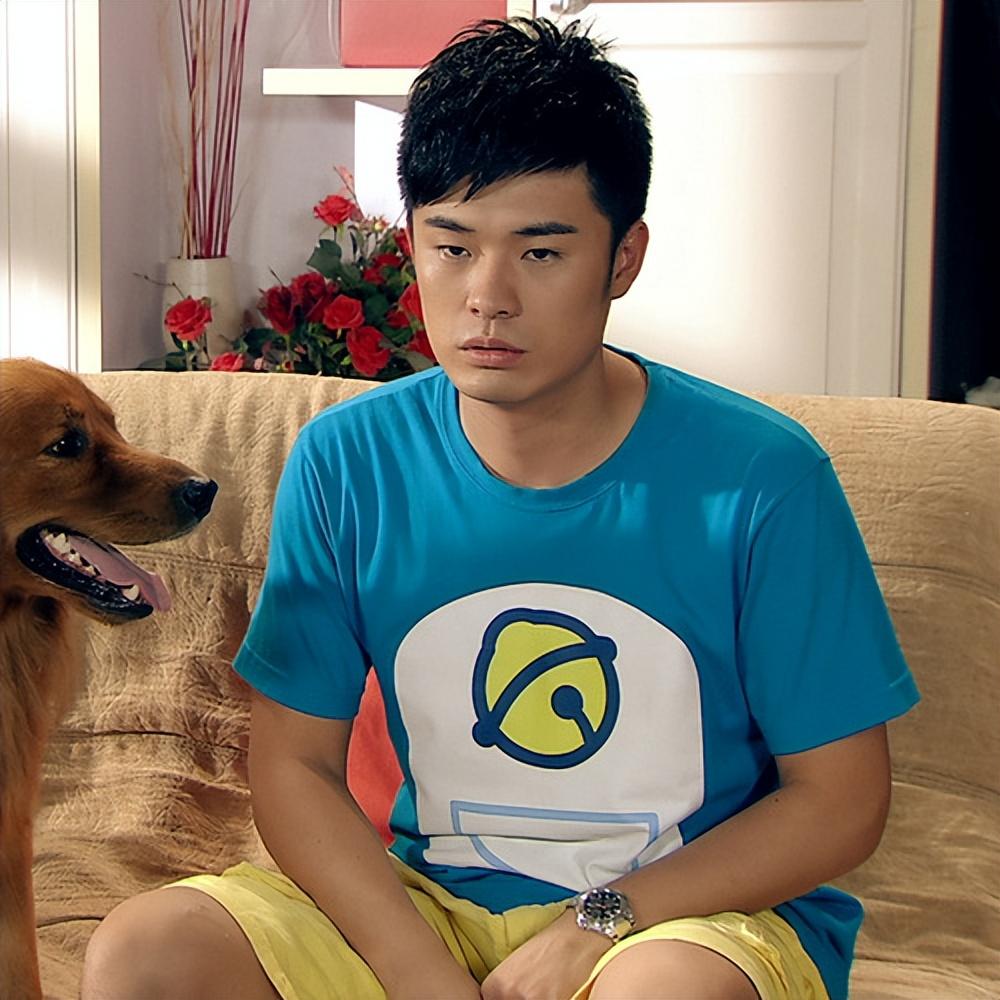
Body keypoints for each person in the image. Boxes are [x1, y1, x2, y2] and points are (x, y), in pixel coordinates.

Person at [81, 17, 919, 1000]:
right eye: (451, 246)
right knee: (147, 952)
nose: (487, 296)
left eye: (541, 253)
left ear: (623, 258)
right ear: (412, 244)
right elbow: (295, 768)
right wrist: (416, 969)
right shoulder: (347, 462)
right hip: (430, 903)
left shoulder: (762, 476)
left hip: (683, 920)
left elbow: (839, 802)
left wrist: (594, 924)